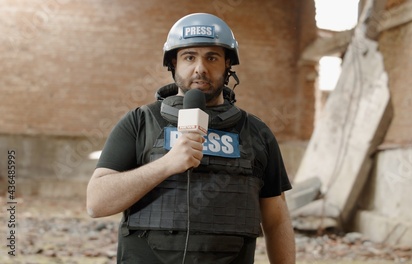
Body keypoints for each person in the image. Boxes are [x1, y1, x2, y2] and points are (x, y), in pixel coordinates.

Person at [86, 13, 296, 264]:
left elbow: (276, 220)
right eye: (189, 57)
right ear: (173, 63)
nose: (200, 68)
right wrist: (166, 164)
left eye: (212, 57)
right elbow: (97, 203)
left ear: (228, 64)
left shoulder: (256, 133)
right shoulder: (140, 122)